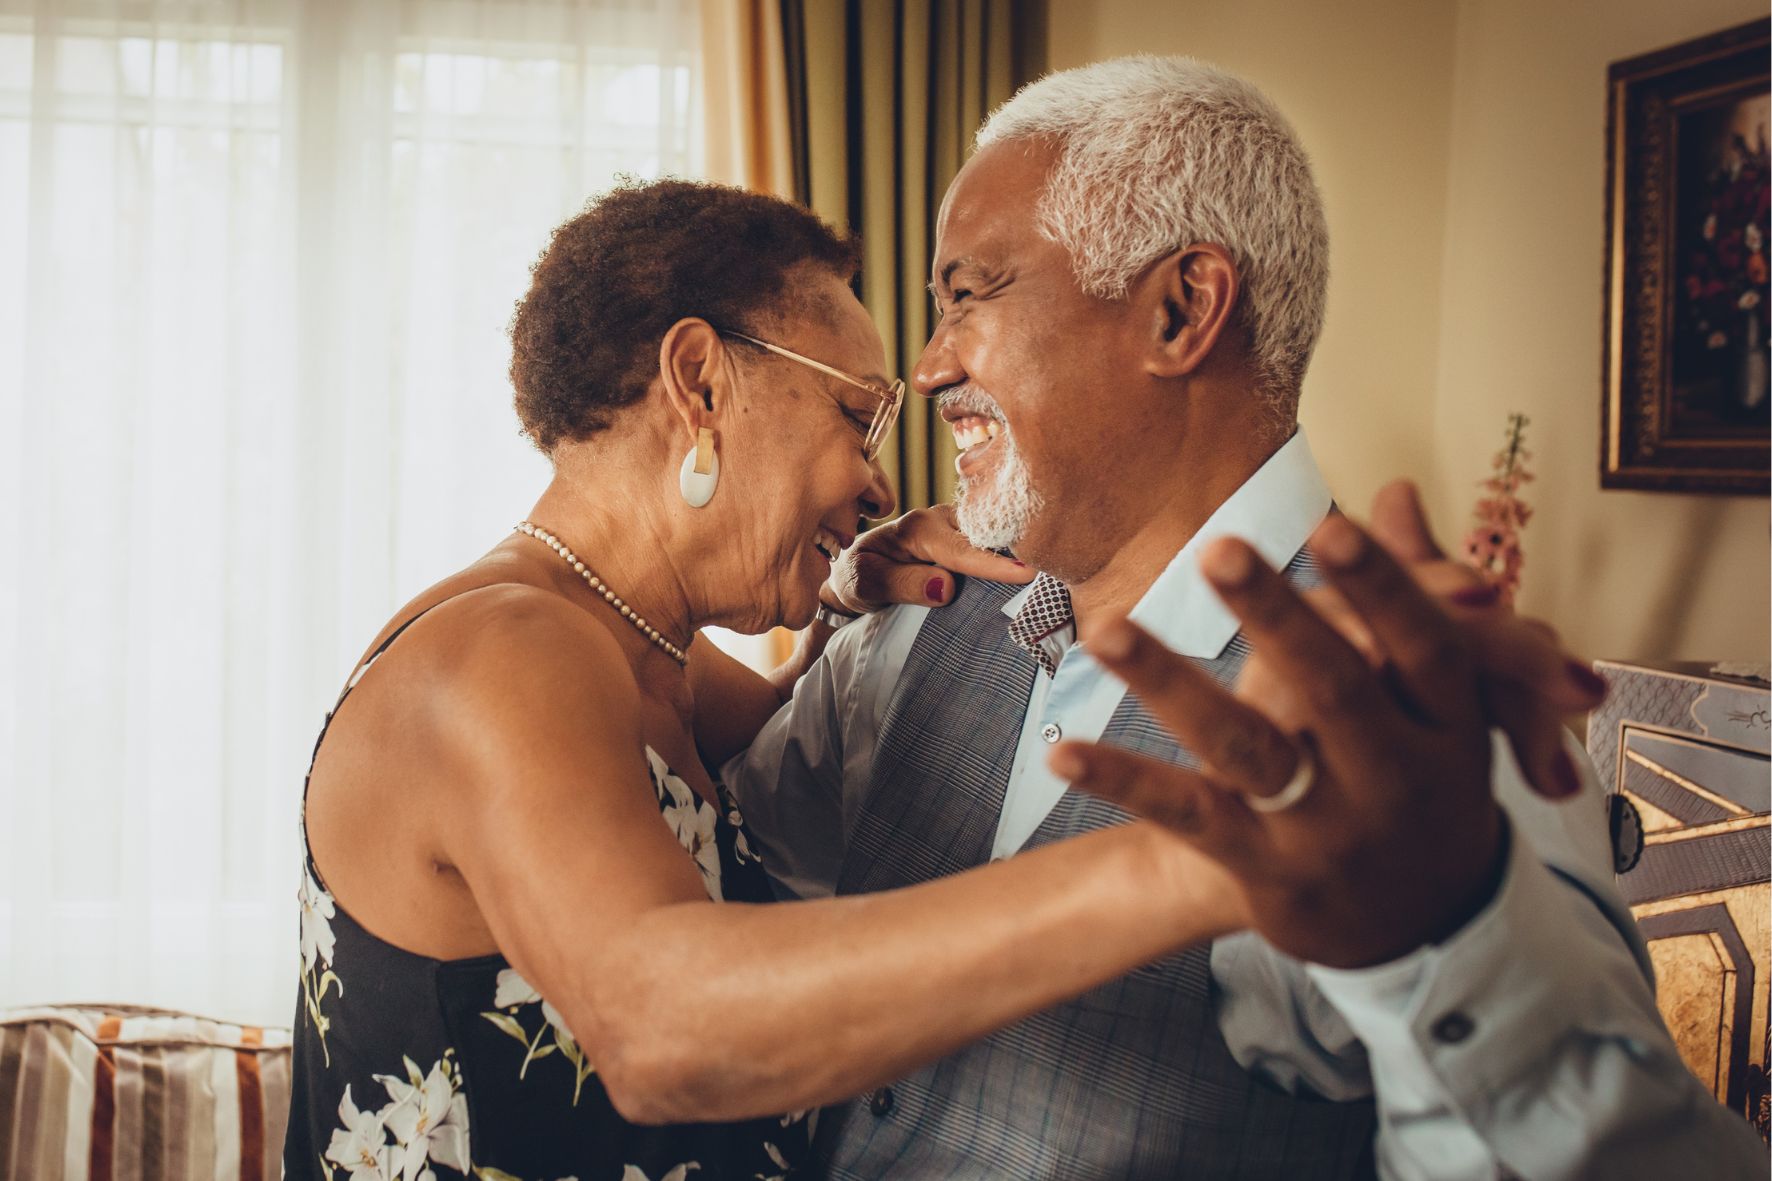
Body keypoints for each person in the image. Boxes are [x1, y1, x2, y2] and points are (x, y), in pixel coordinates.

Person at [726, 56, 1768, 1179]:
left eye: (969, 293)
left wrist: (1455, 928)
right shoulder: (905, 627)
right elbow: (727, 895)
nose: (930, 368)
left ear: (1179, 310)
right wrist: (830, 608)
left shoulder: (1413, 732)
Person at [287, 178, 1275, 1181]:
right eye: (857, 415)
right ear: (700, 383)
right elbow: (663, 1030)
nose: (881, 480)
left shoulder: (648, 656)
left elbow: (796, 795)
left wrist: (848, 598)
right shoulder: (501, 656)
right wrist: (1192, 861)